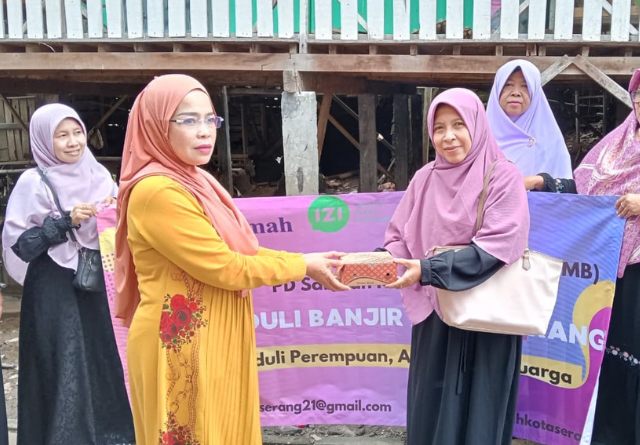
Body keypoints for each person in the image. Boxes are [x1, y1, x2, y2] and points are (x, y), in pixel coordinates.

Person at [114, 74, 349, 445]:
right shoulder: (157, 190)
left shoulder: (196, 180)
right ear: (156, 125)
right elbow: (225, 266)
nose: (204, 131)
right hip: (181, 345)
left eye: (210, 119)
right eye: (188, 120)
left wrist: (304, 259)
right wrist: (302, 267)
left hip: (214, 331)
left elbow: (242, 251)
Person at [383, 88, 530, 445]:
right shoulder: (425, 178)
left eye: (458, 125)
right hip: (436, 318)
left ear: (477, 125)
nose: (448, 137)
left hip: (489, 319)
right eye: (439, 128)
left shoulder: (503, 176)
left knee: (480, 415)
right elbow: (398, 236)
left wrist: (427, 269)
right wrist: (378, 261)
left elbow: (497, 247)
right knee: (431, 410)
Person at [1, 104, 135, 444]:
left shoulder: (99, 175)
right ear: (45, 140)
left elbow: (123, 228)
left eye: (77, 133)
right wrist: (64, 221)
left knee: (102, 357)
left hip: (97, 282)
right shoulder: (33, 183)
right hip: (53, 287)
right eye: (62, 136)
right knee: (64, 361)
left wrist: (117, 211)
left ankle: (110, 436)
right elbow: (21, 246)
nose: (73, 142)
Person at [524, 68, 640, 445]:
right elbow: (586, 190)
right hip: (613, 268)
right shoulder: (615, 143)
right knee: (612, 351)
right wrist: (545, 183)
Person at [487, 59, 573, 178]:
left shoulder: (551, 142)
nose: (516, 93)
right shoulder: (479, 138)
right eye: (508, 85)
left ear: (535, 93)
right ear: (497, 89)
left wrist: (539, 182)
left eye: (525, 86)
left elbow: (565, 186)